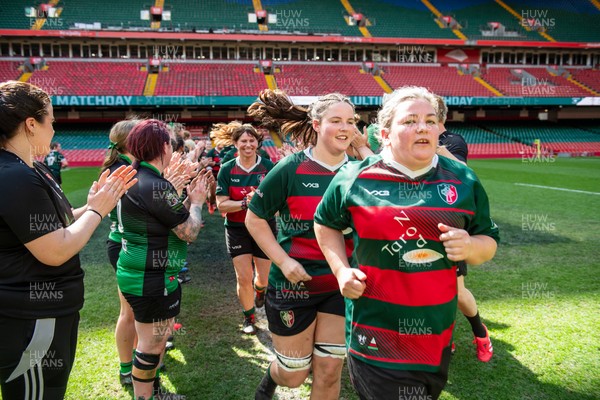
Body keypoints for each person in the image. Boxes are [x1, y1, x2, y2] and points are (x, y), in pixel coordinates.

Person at [314, 86, 499, 399]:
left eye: (429, 120)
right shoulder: (353, 178)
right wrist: (341, 270)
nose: (422, 127)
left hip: (436, 337)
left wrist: (471, 247)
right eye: (410, 121)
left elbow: (488, 241)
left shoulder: (463, 180)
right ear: (384, 133)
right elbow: (325, 223)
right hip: (375, 336)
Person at [0, 80, 137, 400]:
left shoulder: (25, 169)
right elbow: (56, 249)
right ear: (31, 125)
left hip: (42, 315)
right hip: (32, 319)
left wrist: (90, 206)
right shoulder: (14, 175)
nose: (54, 129)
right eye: (51, 121)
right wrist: (100, 210)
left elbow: (46, 228)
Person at [246, 89, 357, 400]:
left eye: (351, 121)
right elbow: (254, 219)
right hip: (293, 288)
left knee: (329, 371)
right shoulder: (291, 168)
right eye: (336, 120)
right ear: (317, 124)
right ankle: (272, 376)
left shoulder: (361, 172)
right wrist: (283, 261)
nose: (345, 128)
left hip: (339, 287)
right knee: (294, 376)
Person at [117, 119, 211, 400]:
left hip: (143, 272)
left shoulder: (136, 177)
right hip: (151, 278)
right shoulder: (155, 184)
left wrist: (183, 204)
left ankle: (154, 391)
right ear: (164, 146)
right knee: (150, 346)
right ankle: (145, 396)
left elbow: (164, 220)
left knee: (155, 341)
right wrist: (196, 202)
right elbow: (189, 232)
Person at [434, 95, 492, 362]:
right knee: (424, 287)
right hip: (418, 219)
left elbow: (463, 171)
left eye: (429, 117)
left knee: (456, 291)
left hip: (450, 224)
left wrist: (434, 147)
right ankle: (444, 338)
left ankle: (480, 332)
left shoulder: (452, 141)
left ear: (440, 117)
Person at [214, 122, 275, 335]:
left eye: (252, 141)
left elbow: (278, 202)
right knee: (243, 276)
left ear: (258, 143)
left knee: (264, 278)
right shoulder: (227, 168)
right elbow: (221, 204)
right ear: (235, 143)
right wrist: (245, 203)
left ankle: (260, 290)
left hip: (264, 227)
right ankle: (248, 317)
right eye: (243, 141)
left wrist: (261, 202)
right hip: (237, 228)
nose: (248, 145)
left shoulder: (269, 167)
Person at [101, 119, 140, 386]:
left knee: (135, 310)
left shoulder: (125, 166)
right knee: (129, 312)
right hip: (126, 244)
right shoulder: (123, 170)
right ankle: (127, 368)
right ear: (130, 142)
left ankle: (138, 358)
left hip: (127, 242)